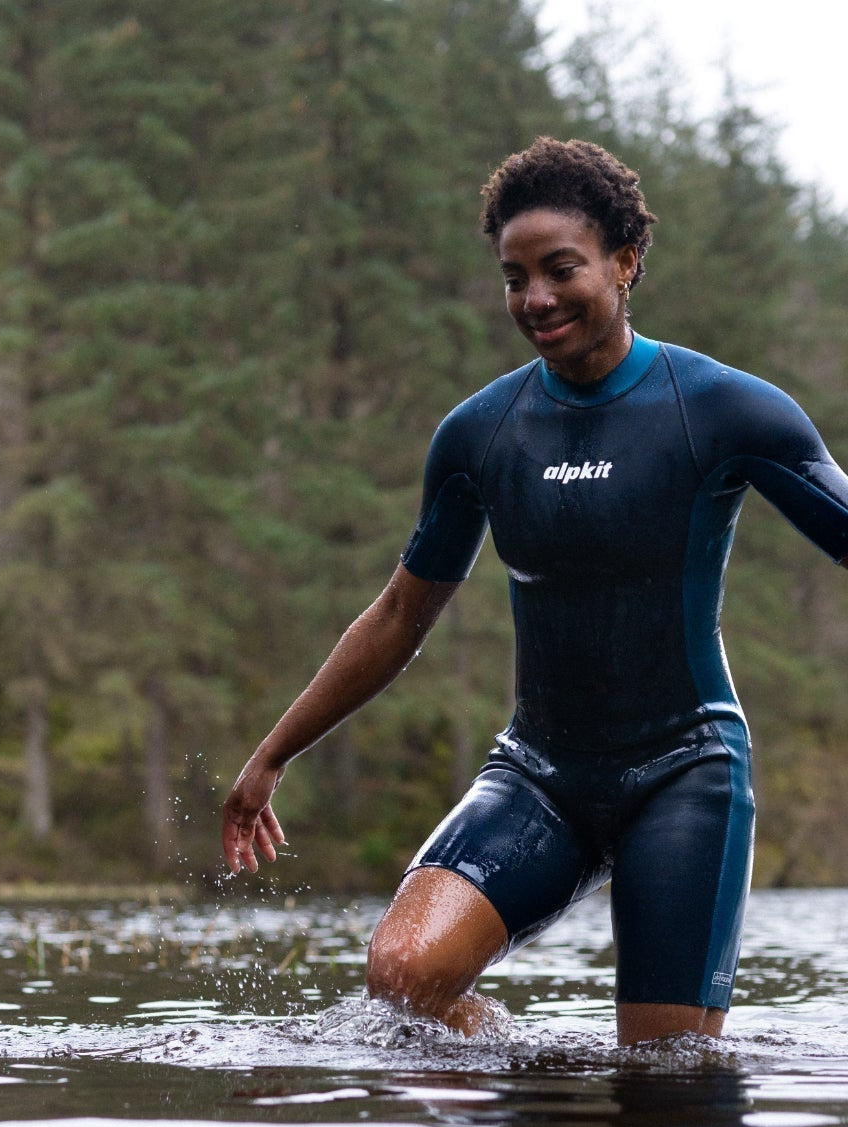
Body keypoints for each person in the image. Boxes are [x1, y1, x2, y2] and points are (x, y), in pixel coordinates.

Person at [220, 137, 848, 1046]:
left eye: (561, 270)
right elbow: (400, 616)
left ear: (626, 262)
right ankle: (526, 1087)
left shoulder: (721, 408)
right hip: (540, 777)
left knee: (662, 1084)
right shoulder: (481, 434)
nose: (536, 299)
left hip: (687, 773)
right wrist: (275, 753)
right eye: (515, 278)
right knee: (402, 973)